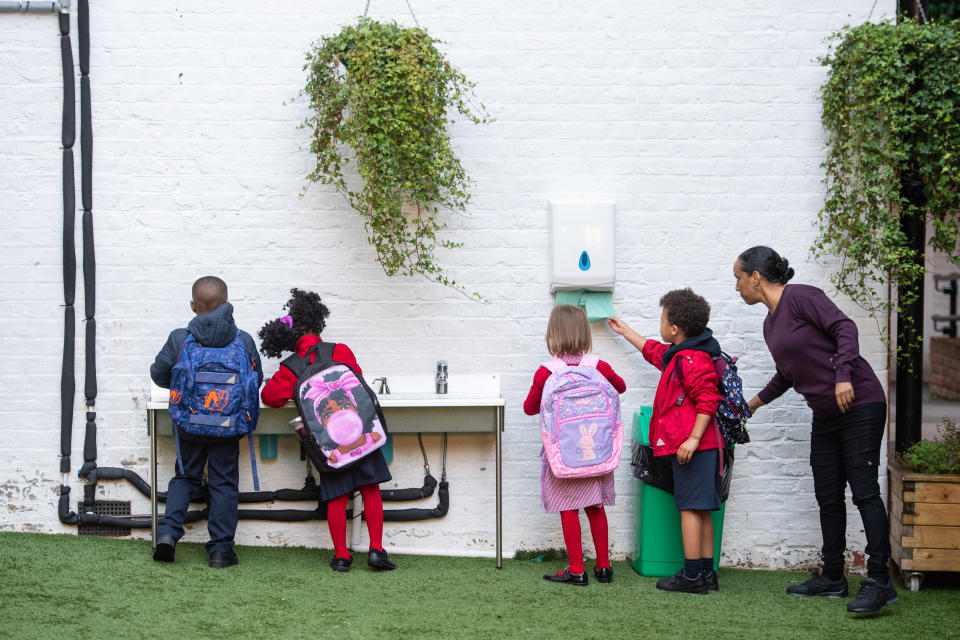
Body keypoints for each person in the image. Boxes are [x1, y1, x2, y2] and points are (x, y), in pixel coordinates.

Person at [734, 245, 896, 614]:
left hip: (860, 403)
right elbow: (788, 375)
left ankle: (879, 580)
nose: (737, 287)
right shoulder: (770, 324)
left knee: (865, 492)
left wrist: (843, 377)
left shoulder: (802, 297)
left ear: (755, 278)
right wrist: (751, 405)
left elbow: (845, 328)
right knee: (827, 495)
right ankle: (833, 577)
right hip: (825, 414)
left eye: (738, 279)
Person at [259, 288, 395, 572]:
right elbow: (357, 380)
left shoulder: (291, 367)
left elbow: (270, 397)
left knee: (336, 495)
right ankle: (376, 551)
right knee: (370, 491)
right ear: (317, 321)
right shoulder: (339, 350)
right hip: (361, 433)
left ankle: (342, 557)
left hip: (328, 445)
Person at [608, 289, 723, 594]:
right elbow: (654, 351)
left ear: (674, 328)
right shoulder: (682, 354)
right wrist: (625, 330)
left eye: (661, 319)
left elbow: (708, 400)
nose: (659, 324)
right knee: (701, 509)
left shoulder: (692, 359)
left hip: (694, 448)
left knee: (689, 509)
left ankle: (693, 575)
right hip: (701, 447)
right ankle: (707, 573)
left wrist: (693, 440)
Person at [150, 276, 263, 568]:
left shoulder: (179, 337)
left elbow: (159, 374)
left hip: (189, 423)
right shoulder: (244, 340)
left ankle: (167, 536)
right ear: (226, 304)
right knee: (223, 483)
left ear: (192, 306)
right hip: (228, 427)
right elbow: (256, 380)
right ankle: (221, 552)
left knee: (185, 477)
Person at [523, 304, 626, 586]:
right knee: (595, 507)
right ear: (584, 332)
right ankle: (604, 567)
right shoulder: (598, 366)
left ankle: (577, 569)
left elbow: (530, 408)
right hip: (597, 456)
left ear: (552, 334)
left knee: (568, 509)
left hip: (564, 456)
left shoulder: (546, 372)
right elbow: (621, 387)